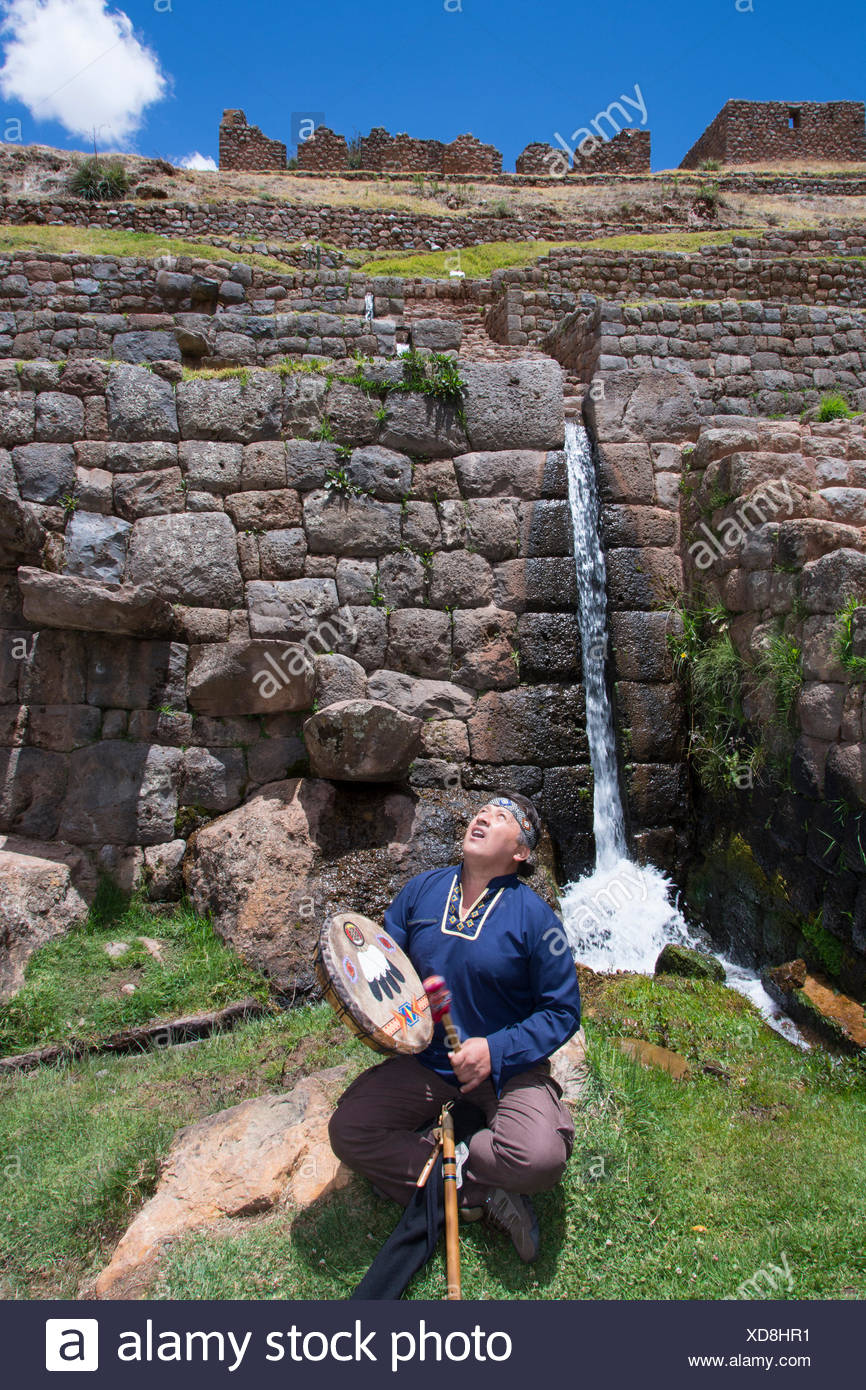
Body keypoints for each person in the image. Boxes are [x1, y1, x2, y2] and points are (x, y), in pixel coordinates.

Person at [328, 791, 581, 1263]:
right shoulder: (420, 892)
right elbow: (385, 970)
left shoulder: (537, 919)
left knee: (540, 1158)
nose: (482, 816)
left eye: (500, 816)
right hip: (429, 1063)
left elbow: (562, 1011)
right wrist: (367, 1004)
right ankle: (479, 1189)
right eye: (481, 811)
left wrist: (495, 1049)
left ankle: (440, 1176)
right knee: (350, 1130)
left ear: (521, 852)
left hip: (509, 1072)